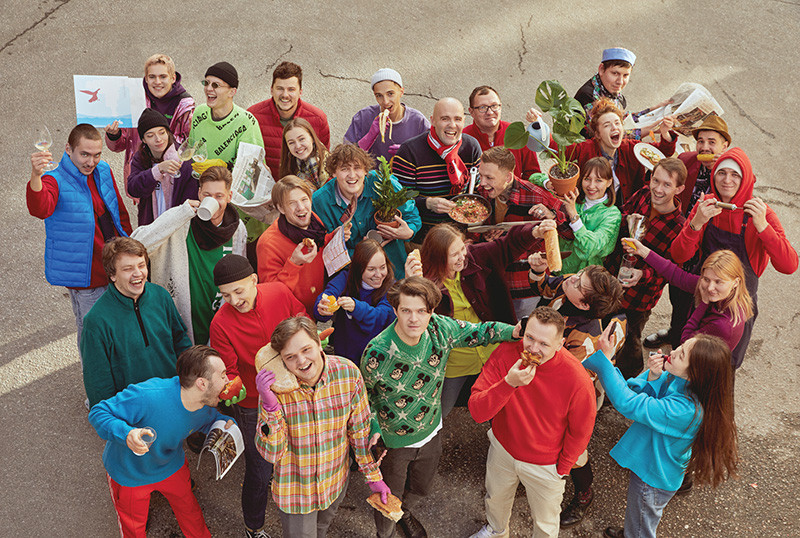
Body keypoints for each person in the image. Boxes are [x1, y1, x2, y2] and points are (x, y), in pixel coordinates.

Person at [361, 276, 518, 538]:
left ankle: (404, 513)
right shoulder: (376, 351)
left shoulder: (440, 329)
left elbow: (478, 332)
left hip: (432, 431)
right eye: (406, 311)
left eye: (422, 311)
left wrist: (513, 331)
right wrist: (374, 427)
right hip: (394, 443)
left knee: (421, 488)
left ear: (431, 311)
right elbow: (363, 397)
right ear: (395, 310)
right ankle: (385, 533)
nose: (414, 319)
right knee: (388, 500)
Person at [584, 331, 738, 538]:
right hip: (655, 468)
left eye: (681, 355)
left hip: (652, 478)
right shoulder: (684, 383)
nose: (672, 352)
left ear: (696, 373)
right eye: (680, 347)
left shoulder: (685, 410)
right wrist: (654, 376)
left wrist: (604, 362)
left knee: (642, 524)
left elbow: (628, 402)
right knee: (640, 517)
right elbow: (640, 395)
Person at [254, 316, 389, 537]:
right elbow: (272, 453)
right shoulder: (274, 390)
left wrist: (373, 476)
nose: (301, 361)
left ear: (319, 343)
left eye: (306, 349)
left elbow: (359, 432)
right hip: (296, 493)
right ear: (282, 360)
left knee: (321, 529)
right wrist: (270, 408)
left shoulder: (348, 374)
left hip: (334, 482)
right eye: (290, 357)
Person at [468, 306, 596, 538]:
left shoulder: (577, 378)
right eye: (530, 338)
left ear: (560, 344)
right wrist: (508, 383)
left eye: (544, 344)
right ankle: (496, 531)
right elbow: (477, 412)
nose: (533, 349)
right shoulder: (506, 353)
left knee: (546, 522)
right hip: (502, 449)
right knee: (495, 499)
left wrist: (563, 468)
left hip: (546, 463)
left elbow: (581, 430)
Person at [88, 345, 235, 537]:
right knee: (133, 528)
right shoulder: (147, 396)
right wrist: (126, 433)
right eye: (222, 375)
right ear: (202, 384)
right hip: (129, 474)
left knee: (190, 512)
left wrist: (224, 423)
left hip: (171, 466)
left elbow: (210, 421)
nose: (228, 380)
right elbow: (98, 412)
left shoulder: (205, 406)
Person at [670, 148, 798, 367]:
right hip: (704, 297)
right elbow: (679, 255)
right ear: (713, 175)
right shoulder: (707, 205)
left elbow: (789, 265)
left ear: (745, 178)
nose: (727, 180)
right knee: (687, 360)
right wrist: (696, 223)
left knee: (722, 368)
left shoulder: (761, 213)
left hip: (738, 311)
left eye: (735, 174)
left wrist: (763, 227)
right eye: (721, 173)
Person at [209, 254, 306, 538]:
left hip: (293, 390)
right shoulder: (220, 324)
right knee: (259, 470)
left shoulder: (279, 292)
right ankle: (254, 527)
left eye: (238, 291)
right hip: (253, 404)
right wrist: (231, 391)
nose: (234, 300)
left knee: (297, 449)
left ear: (254, 280)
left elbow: (302, 320)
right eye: (226, 295)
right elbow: (229, 371)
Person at [526, 258, 625, 527]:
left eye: (579, 283)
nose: (571, 278)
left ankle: (584, 492)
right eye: (580, 275)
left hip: (573, 396)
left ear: (583, 305)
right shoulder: (572, 286)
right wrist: (537, 271)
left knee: (574, 450)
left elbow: (571, 380)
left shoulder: (585, 337)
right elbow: (547, 286)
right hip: (544, 381)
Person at [27, 123, 132, 376]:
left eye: (96, 154)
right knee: (93, 337)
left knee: (120, 330)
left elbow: (118, 212)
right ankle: (97, 389)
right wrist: (35, 176)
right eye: (84, 154)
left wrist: (131, 250)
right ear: (68, 149)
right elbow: (40, 208)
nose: (91, 162)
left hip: (115, 269)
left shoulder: (103, 169)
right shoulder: (53, 179)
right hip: (87, 278)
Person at [404, 222, 539, 418]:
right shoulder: (424, 282)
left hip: (493, 351)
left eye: (462, 249)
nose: (463, 256)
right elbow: (412, 320)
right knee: (440, 410)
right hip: (456, 361)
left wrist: (534, 231)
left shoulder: (476, 256)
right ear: (439, 258)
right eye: (455, 254)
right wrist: (411, 283)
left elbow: (507, 245)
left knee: (504, 404)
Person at [645, 116, 733, 350]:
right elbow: (666, 172)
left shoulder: (729, 174)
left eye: (712, 142)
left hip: (709, 251)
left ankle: (683, 348)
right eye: (701, 141)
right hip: (682, 241)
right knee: (677, 295)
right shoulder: (687, 160)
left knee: (700, 304)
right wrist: (666, 137)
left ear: (724, 145)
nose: (705, 147)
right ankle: (675, 331)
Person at [131, 166, 247, 344]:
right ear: (199, 193)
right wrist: (180, 214)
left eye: (219, 196)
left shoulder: (237, 229)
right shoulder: (181, 219)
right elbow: (136, 245)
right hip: (182, 318)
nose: (213, 201)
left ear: (229, 196)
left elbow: (240, 277)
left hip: (219, 318)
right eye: (207, 195)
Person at [81, 237, 192, 408]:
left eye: (141, 265)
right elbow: (98, 382)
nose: (138, 273)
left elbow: (181, 341)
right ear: (112, 275)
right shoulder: (96, 322)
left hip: (174, 397)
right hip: (133, 409)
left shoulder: (161, 296)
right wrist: (111, 417)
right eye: (128, 269)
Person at [609, 158, 687, 379]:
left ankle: (629, 379)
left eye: (667, 184)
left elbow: (671, 269)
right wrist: (626, 219)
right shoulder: (643, 194)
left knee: (630, 338)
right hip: (614, 276)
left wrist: (642, 274)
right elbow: (619, 215)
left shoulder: (679, 226)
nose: (658, 189)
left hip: (639, 297)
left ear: (679, 189)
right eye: (656, 180)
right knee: (608, 327)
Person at [475, 147, 570, 318]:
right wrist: (484, 236)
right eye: (481, 176)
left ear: (508, 177)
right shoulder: (481, 193)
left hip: (523, 287)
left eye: (489, 178)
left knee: (521, 329)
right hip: (491, 280)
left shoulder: (536, 195)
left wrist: (551, 215)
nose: (482, 183)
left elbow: (569, 232)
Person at [528, 98, 676, 205]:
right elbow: (556, 146)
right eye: (607, 125)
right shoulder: (585, 148)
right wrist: (538, 124)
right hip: (590, 212)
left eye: (617, 123)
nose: (614, 128)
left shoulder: (631, 147)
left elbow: (661, 153)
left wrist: (665, 133)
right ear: (597, 134)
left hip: (626, 210)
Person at [312, 144, 421, 278]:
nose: (352, 175)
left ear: (365, 170)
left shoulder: (383, 182)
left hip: (394, 271)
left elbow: (412, 214)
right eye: (344, 169)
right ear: (333, 173)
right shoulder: (320, 202)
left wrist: (409, 231)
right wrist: (363, 253)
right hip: (353, 277)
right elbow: (324, 250)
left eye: (357, 168)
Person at [627, 242, 754, 355]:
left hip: (698, 364)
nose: (710, 288)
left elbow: (686, 341)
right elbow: (676, 275)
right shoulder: (728, 293)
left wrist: (703, 304)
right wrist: (643, 251)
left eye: (718, 282)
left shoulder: (722, 325)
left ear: (736, 282)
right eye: (706, 279)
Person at [257, 175, 349, 314]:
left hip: (316, 305)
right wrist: (294, 263)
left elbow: (319, 244)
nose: (301, 208)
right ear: (281, 208)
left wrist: (332, 237)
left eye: (304, 200)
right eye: (292, 203)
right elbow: (272, 295)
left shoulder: (312, 219)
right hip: (294, 316)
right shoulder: (268, 244)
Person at [392, 97, 482, 241]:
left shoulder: (472, 147)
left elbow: (479, 190)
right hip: (423, 240)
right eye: (445, 119)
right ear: (433, 121)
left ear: (464, 121)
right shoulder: (409, 151)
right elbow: (399, 199)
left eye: (458, 119)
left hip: (461, 240)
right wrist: (427, 203)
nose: (452, 125)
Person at [105, 53, 195, 196]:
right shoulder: (134, 100)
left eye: (163, 76)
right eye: (152, 77)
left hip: (173, 175)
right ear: (146, 79)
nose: (157, 82)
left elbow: (189, 145)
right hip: (142, 172)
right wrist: (114, 135)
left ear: (173, 78)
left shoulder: (185, 105)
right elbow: (120, 145)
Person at [314, 239, 395, 364]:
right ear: (358, 268)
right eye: (371, 269)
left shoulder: (392, 288)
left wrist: (356, 307)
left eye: (383, 267)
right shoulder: (346, 278)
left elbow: (381, 316)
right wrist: (322, 306)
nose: (379, 274)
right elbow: (330, 292)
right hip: (345, 353)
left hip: (375, 357)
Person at [248, 61, 330, 177]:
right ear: (271, 90)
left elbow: (324, 161)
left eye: (291, 89)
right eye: (280, 88)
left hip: (305, 186)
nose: (285, 95)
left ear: (300, 92)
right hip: (266, 186)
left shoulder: (318, 119)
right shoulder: (252, 117)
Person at [127, 108, 198, 225]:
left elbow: (191, 198)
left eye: (162, 132)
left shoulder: (182, 158)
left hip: (178, 225)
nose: (158, 139)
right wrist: (157, 170)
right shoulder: (140, 158)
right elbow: (133, 189)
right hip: (151, 226)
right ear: (143, 139)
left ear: (168, 133)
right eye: (150, 135)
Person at [344, 68, 430, 161]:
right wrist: (368, 138)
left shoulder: (418, 121)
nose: (385, 102)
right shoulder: (363, 117)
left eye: (390, 94)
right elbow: (345, 158)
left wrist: (409, 153)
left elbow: (432, 157)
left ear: (401, 92)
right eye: (379, 95)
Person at [559, 157, 622, 273]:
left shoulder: (612, 214)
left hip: (583, 277)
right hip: (556, 268)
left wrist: (574, 216)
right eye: (587, 179)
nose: (591, 186)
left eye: (599, 180)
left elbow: (590, 248)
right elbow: (535, 178)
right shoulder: (574, 199)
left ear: (609, 182)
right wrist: (547, 183)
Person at [463, 85, 540, 178]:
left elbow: (533, 174)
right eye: (482, 107)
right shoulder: (463, 139)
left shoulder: (518, 134)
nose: (490, 112)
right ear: (471, 112)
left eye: (494, 106)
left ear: (500, 107)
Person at [279, 117, 331, 190]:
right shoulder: (290, 164)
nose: (298, 146)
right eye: (291, 143)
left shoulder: (329, 166)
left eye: (301, 139)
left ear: (312, 138)